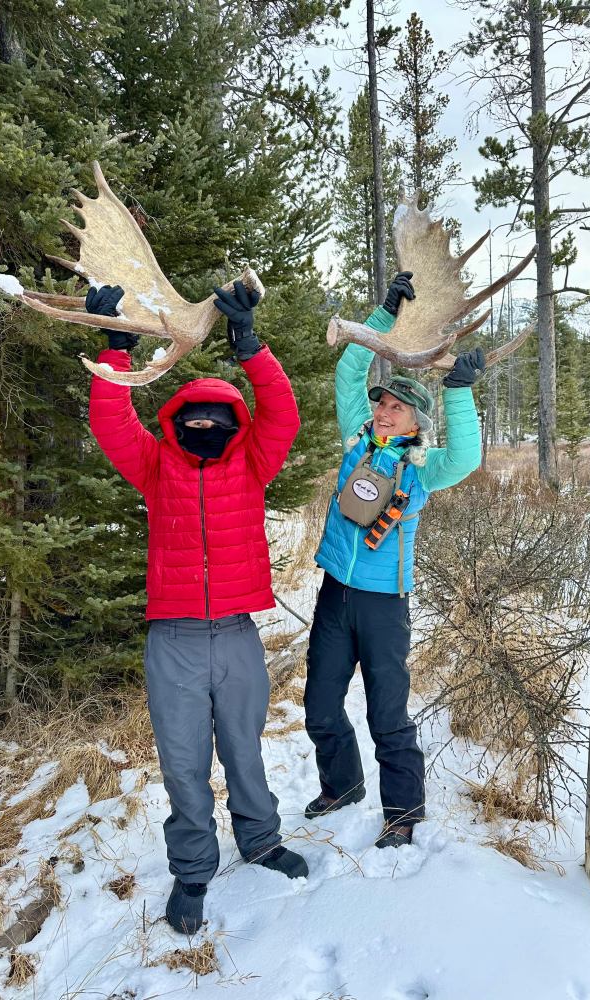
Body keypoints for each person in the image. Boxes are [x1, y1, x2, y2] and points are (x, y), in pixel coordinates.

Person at [87, 280, 308, 935]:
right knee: (183, 764)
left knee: (244, 750)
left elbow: (283, 414)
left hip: (237, 635)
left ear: (235, 426)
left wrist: (251, 346)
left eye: (219, 418)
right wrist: (116, 348)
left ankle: (261, 840)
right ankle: (191, 870)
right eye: (194, 418)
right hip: (175, 642)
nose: (205, 426)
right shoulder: (157, 468)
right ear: (176, 424)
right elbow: (110, 423)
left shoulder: (252, 466)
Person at [303, 272, 484, 848]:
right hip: (336, 594)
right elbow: (349, 371)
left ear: (415, 422)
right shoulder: (356, 441)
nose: (383, 411)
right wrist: (381, 316)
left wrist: (457, 391)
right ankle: (343, 784)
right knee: (320, 705)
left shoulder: (422, 470)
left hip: (384, 605)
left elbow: (467, 459)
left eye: (397, 409)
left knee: (388, 713)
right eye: (382, 403)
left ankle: (403, 811)